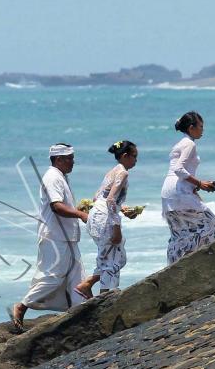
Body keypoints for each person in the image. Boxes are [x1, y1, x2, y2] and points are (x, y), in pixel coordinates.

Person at [10, 144, 87, 331]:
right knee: (52, 277)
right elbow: (57, 206)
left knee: (77, 276)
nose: (73, 162)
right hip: (55, 237)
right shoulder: (52, 177)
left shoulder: (61, 177)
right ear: (58, 159)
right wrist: (80, 214)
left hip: (66, 236)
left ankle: (82, 315)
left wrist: (80, 209)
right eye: (69, 158)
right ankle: (22, 305)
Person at [77, 140, 140, 296]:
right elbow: (111, 199)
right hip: (105, 218)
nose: (136, 160)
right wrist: (116, 226)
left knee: (112, 256)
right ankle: (103, 294)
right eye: (134, 156)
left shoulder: (112, 171)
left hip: (96, 215)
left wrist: (122, 208)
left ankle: (90, 285)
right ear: (125, 156)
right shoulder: (123, 173)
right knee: (113, 257)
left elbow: (97, 197)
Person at [161, 114, 215, 263]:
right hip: (179, 190)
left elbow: (179, 169)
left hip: (169, 190)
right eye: (200, 127)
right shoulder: (189, 144)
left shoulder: (181, 143)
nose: (203, 130)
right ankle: (204, 261)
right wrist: (200, 183)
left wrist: (196, 185)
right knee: (209, 221)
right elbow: (179, 169)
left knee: (179, 232)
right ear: (191, 128)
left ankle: (174, 264)